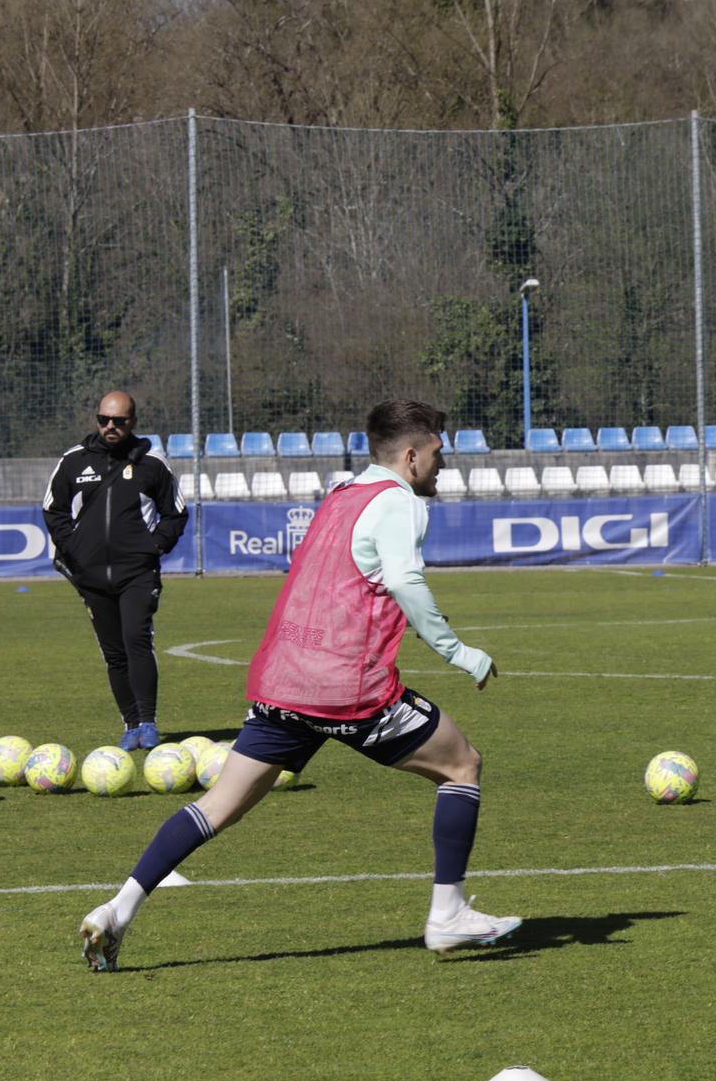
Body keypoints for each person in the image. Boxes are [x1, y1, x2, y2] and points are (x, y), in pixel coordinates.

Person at [79, 400, 518, 971]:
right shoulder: (398, 503)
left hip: (284, 681)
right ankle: (448, 915)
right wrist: (462, 653)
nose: (442, 465)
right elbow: (407, 582)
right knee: (462, 765)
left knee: (217, 807)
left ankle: (118, 909)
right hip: (346, 690)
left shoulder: (341, 495)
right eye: (437, 453)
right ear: (411, 456)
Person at [41, 391, 189, 750]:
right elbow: (52, 508)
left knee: (137, 640)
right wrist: (72, 547)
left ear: (132, 422)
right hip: (90, 577)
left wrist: (153, 547)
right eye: (104, 420)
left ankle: (149, 723)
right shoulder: (74, 461)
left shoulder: (152, 462)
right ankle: (130, 724)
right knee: (113, 653)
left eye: (119, 421)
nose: (110, 427)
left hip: (136, 573)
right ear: (97, 420)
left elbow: (176, 513)